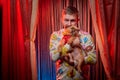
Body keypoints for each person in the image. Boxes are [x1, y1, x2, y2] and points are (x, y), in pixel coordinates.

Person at [49, 6, 96, 80]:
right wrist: (70, 44)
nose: (69, 24)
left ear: (78, 20)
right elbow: (54, 57)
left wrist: (77, 62)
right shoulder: (55, 35)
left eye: (72, 20)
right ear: (62, 20)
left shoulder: (86, 36)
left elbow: (93, 58)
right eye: (66, 20)